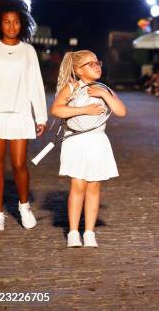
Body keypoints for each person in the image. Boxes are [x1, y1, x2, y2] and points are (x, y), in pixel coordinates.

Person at [0, 0, 46, 231]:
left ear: (23, 23)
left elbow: (36, 84)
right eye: (7, 22)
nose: (11, 26)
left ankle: (23, 206)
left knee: (19, 164)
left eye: (16, 22)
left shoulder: (28, 51)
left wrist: (41, 117)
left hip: (20, 114)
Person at [51, 50, 126, 248]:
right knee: (78, 186)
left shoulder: (104, 89)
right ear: (78, 70)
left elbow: (121, 111)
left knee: (94, 187)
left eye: (97, 62)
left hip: (97, 141)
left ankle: (90, 232)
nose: (97, 66)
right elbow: (57, 109)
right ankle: (73, 232)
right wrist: (83, 109)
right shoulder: (72, 88)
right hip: (76, 141)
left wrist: (103, 94)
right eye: (90, 64)